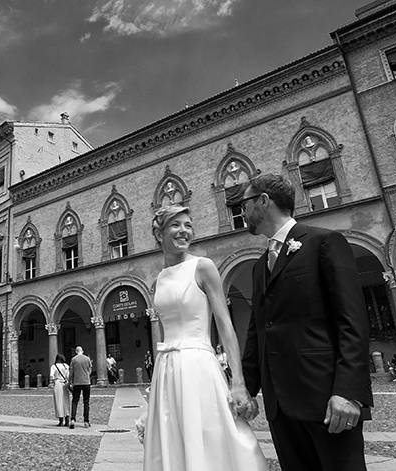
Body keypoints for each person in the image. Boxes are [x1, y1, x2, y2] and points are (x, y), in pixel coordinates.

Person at [241, 174, 373, 471]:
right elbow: (258, 332)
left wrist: (349, 392)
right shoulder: (261, 265)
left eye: (245, 204)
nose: (242, 211)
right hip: (281, 407)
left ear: (264, 201)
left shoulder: (323, 242)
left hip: (327, 400)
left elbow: (352, 320)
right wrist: (245, 389)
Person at [143, 204, 265, 471]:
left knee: (211, 436)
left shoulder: (203, 267)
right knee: (175, 443)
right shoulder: (159, 278)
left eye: (188, 225)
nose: (184, 231)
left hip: (198, 364)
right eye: (175, 225)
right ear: (159, 233)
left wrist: (238, 382)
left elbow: (225, 326)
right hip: (166, 370)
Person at [68, 346, 92, 429]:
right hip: (86, 382)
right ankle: (86, 421)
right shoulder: (87, 359)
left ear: (76, 351)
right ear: (82, 351)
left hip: (77, 383)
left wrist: (70, 381)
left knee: (75, 401)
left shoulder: (73, 359)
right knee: (86, 402)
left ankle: (73, 420)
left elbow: (71, 372)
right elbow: (90, 370)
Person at [49, 354, 71, 426]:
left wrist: (51, 382)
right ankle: (67, 419)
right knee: (66, 401)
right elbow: (69, 376)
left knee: (59, 401)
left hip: (57, 383)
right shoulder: (66, 366)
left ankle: (61, 420)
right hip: (65, 384)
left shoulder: (54, 366)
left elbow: (51, 376)